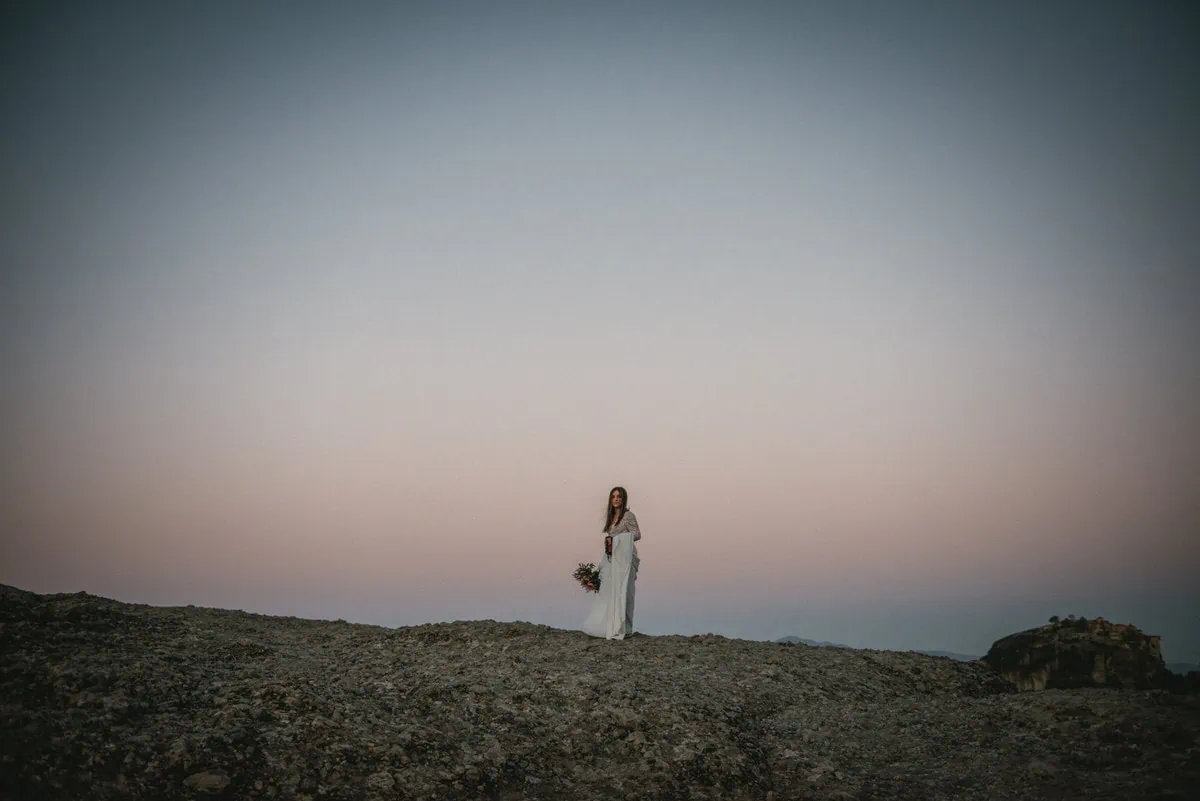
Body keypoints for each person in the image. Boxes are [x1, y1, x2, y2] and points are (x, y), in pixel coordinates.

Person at [582, 486, 641, 640]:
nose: (616, 499)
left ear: (623, 499)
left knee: (626, 591)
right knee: (610, 591)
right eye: (613, 496)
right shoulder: (611, 517)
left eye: (619, 496)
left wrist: (619, 540)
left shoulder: (628, 516)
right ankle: (610, 625)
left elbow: (637, 534)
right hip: (612, 558)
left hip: (626, 559)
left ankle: (626, 627)